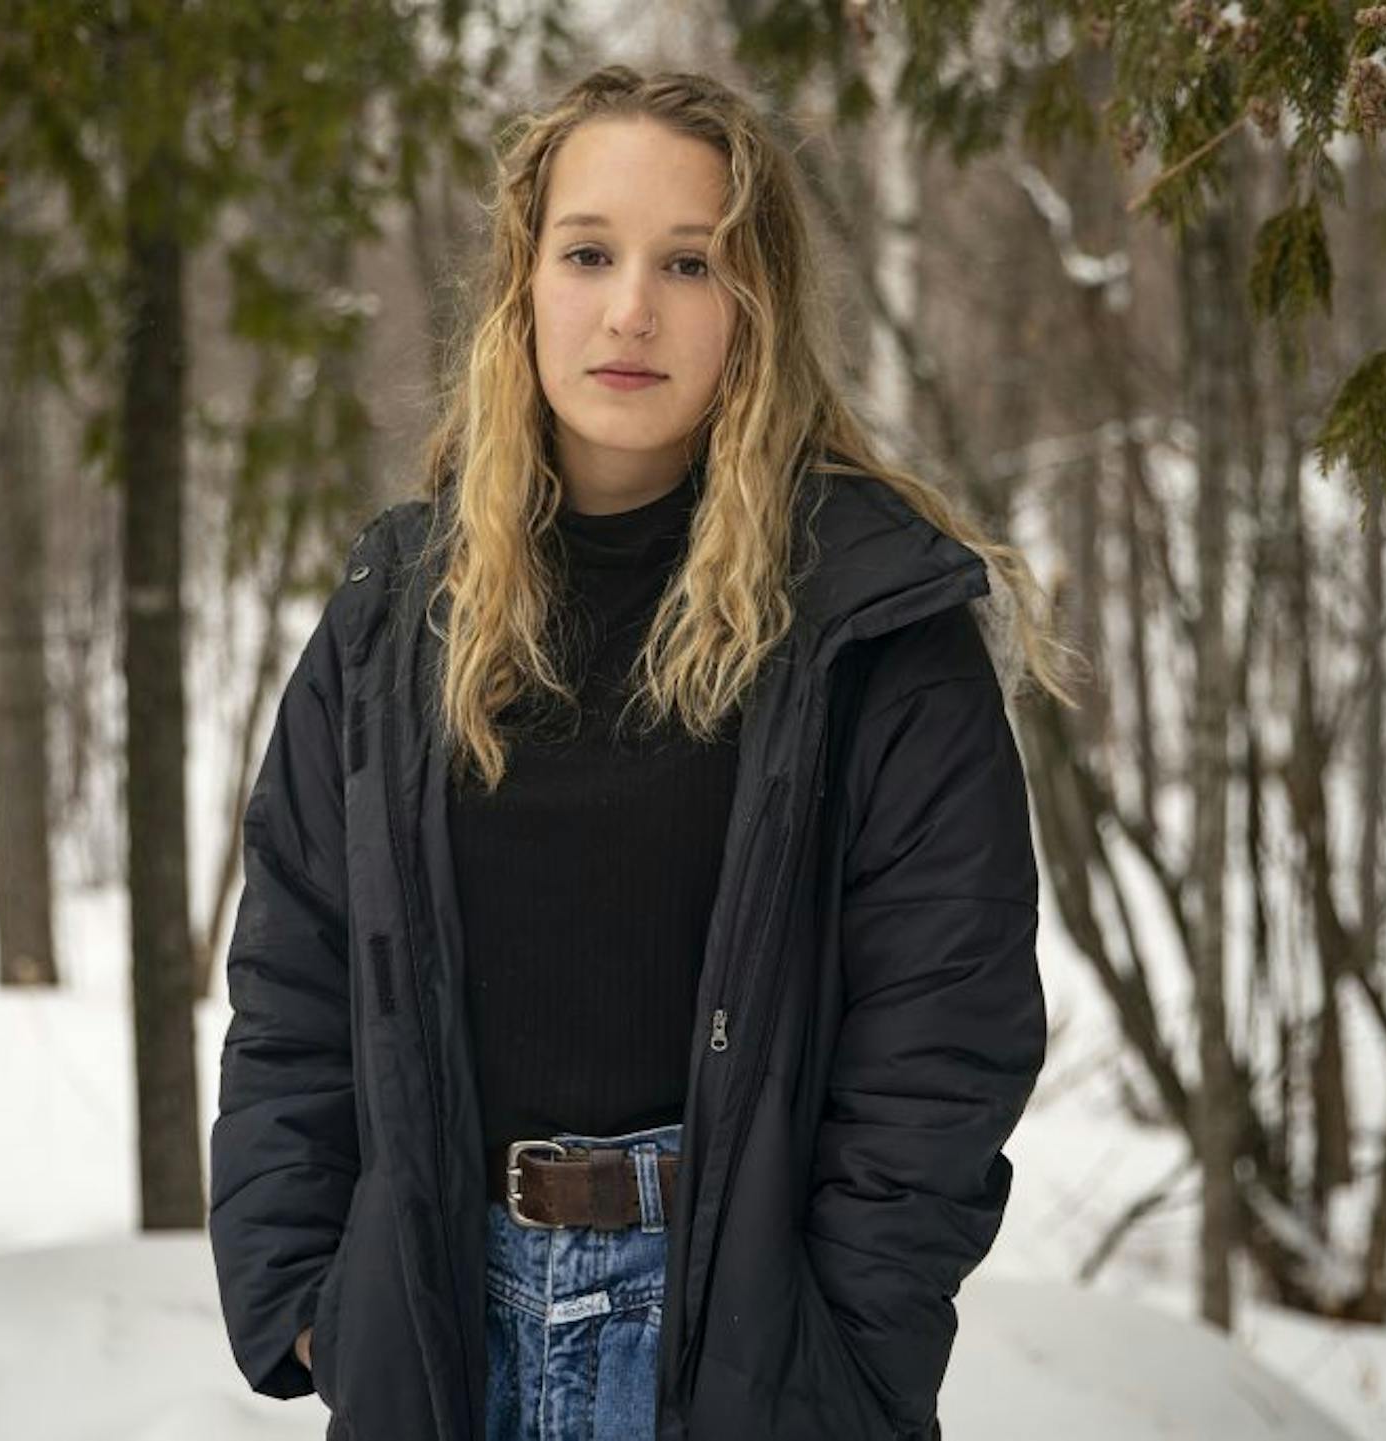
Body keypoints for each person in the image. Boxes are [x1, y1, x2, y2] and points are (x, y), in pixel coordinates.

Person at [208, 63, 1066, 1441]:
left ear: (759, 309)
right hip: (441, 1326)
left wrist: (845, 1343)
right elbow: (298, 974)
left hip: (741, 1350)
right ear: (521, 285)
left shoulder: (871, 627)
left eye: (692, 263)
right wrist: (310, 1295)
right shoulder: (396, 615)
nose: (631, 309)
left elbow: (946, 1033)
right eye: (589, 252)